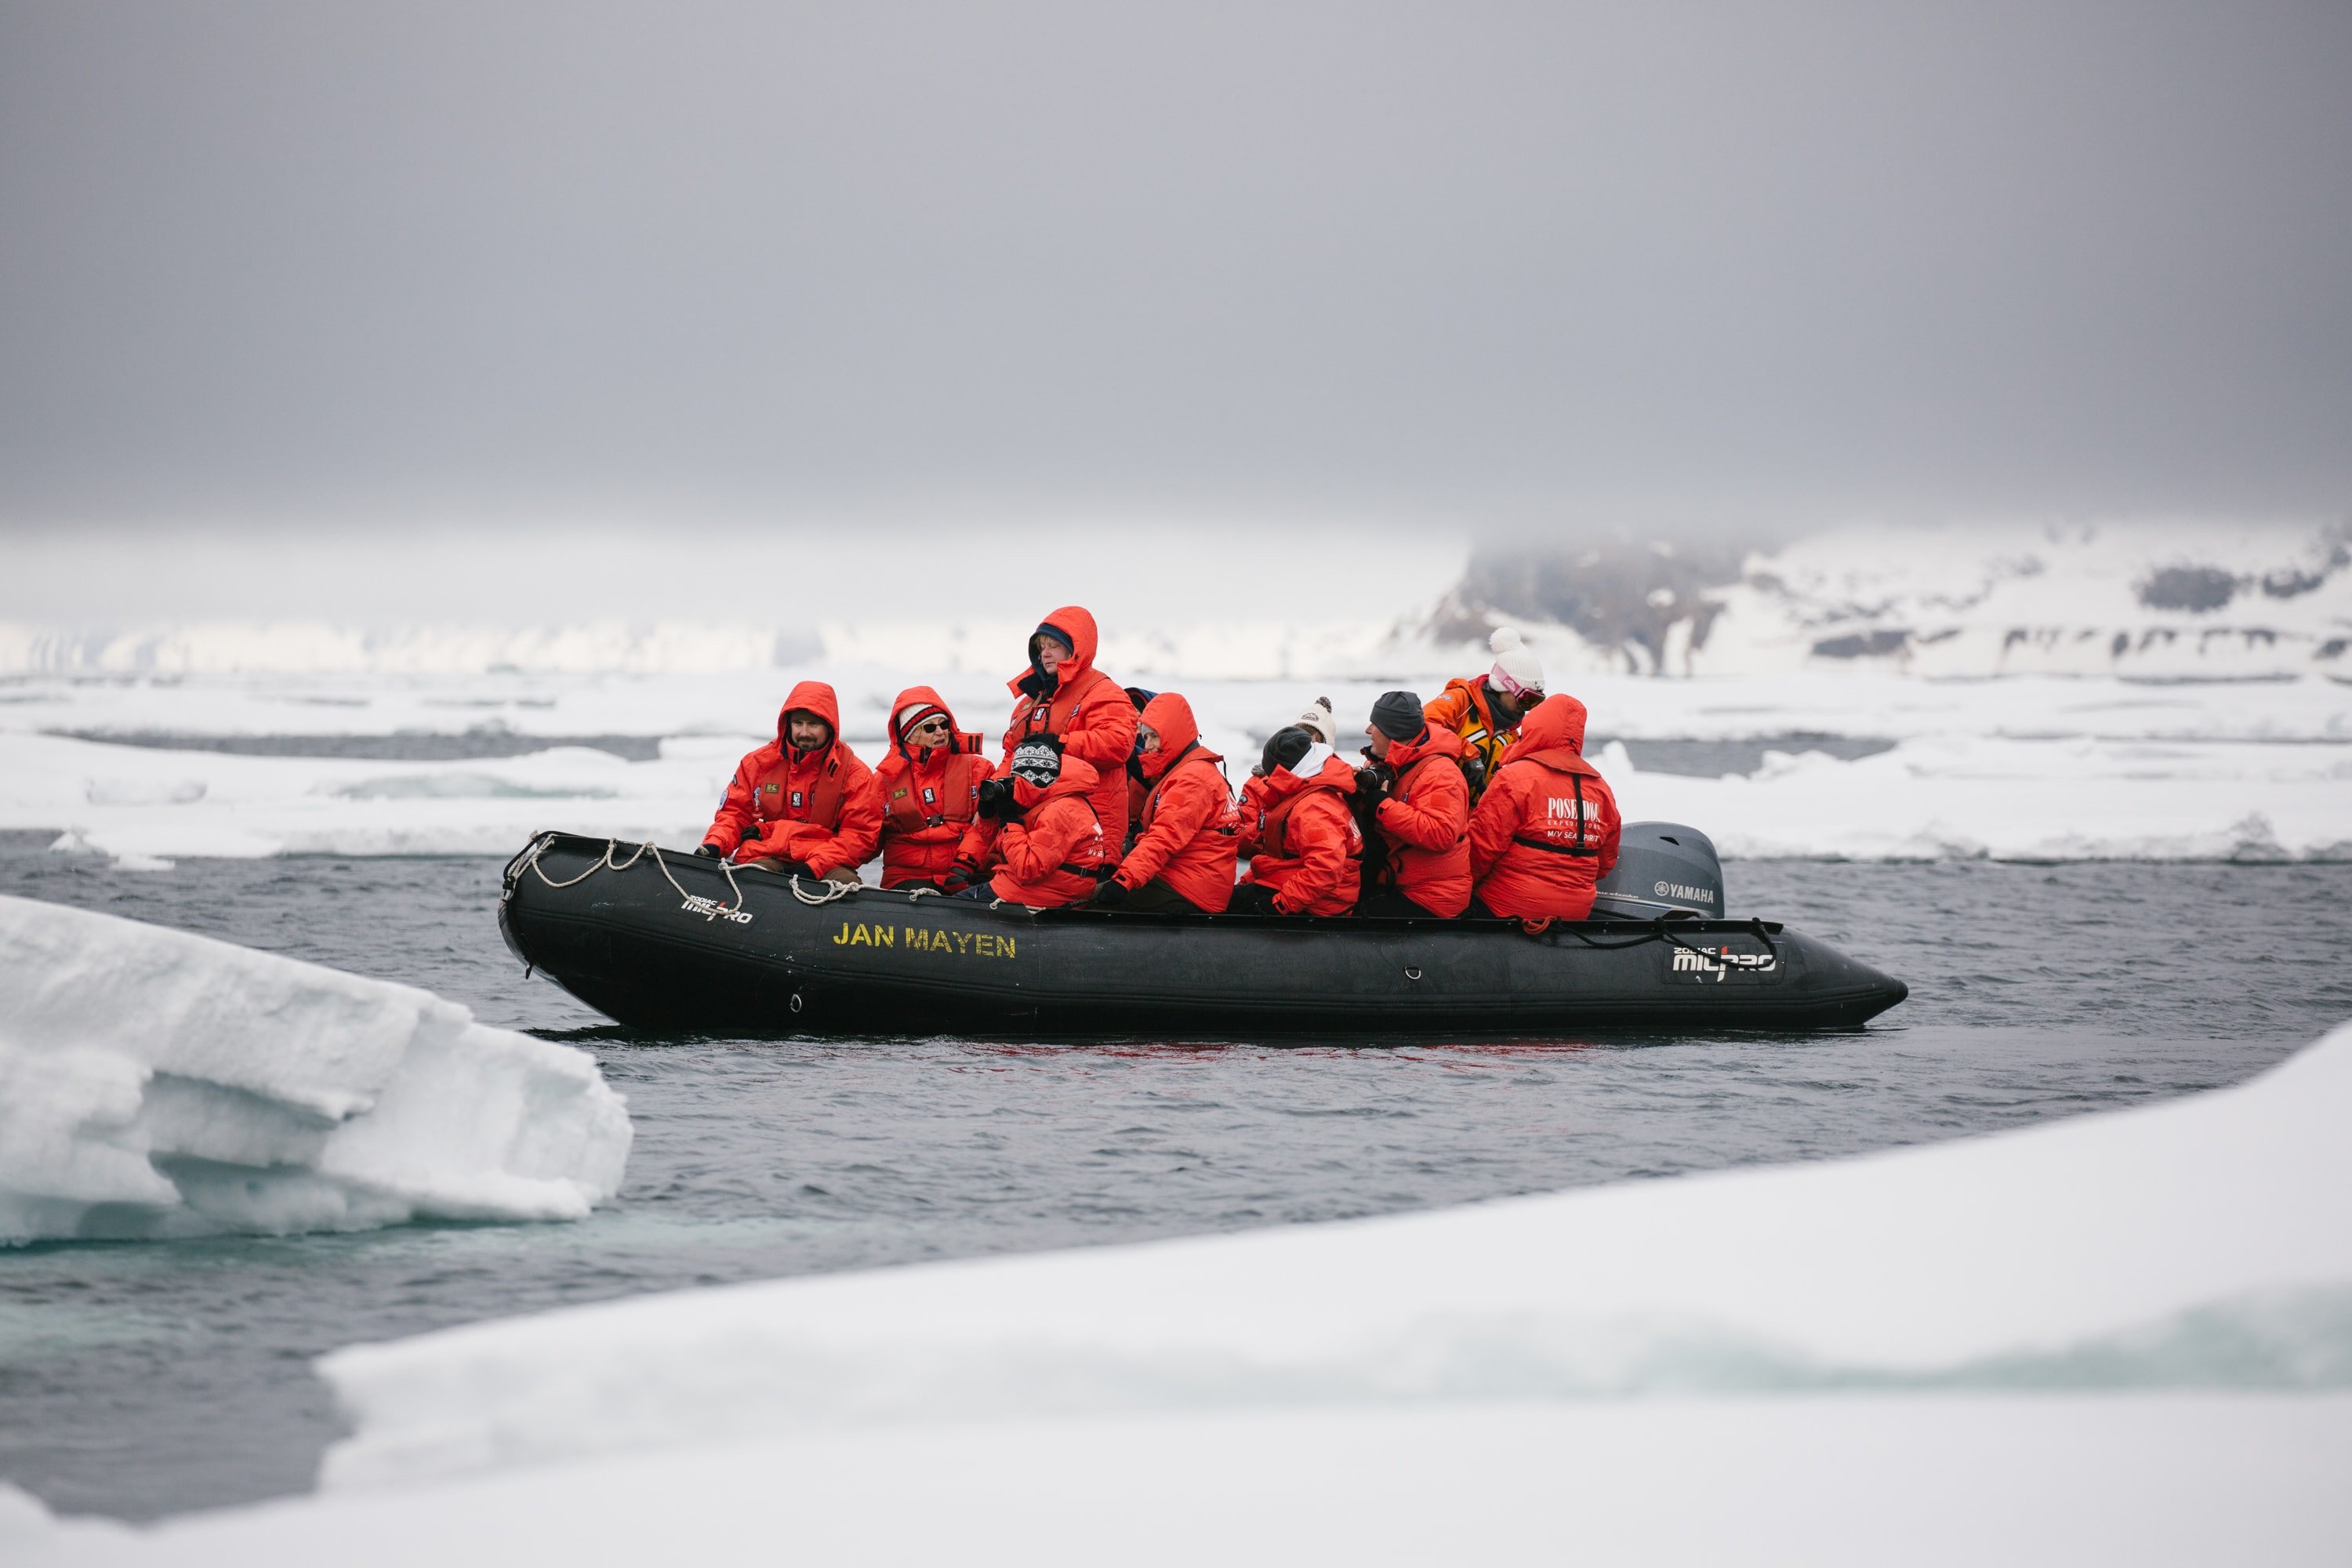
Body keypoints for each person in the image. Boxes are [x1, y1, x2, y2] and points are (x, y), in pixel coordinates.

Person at [989, 607, 1137, 870]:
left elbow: (1119, 744)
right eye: (1042, 646)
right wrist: (996, 789)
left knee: (1075, 890)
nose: (1045, 652)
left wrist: (1059, 744)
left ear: (1075, 648)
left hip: (1091, 823)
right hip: (1038, 825)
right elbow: (1012, 754)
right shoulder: (1029, 703)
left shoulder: (1103, 692)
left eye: (1054, 646)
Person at [697, 681, 881, 884]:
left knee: (846, 888)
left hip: (826, 862)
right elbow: (734, 813)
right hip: (765, 854)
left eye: (813, 724)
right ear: (788, 724)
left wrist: (813, 867)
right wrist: (715, 844)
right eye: (798, 723)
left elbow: (859, 835)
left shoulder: (855, 774)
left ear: (830, 727)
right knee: (751, 880)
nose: (804, 732)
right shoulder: (759, 764)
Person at [1467, 693, 1623, 920]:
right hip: (1575, 913)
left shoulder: (1515, 778)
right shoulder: (1600, 789)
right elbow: (1606, 861)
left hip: (1506, 906)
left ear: (1535, 728)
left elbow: (1480, 849)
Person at [1094, 691, 1238, 913]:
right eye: (1145, 737)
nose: (1148, 745)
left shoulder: (1193, 779)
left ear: (1172, 733)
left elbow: (1164, 837)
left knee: (1089, 901)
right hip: (1191, 880)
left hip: (1187, 887)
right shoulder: (1190, 770)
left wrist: (1123, 880)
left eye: (1153, 736)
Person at [1352, 689, 1472, 918]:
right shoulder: (1392, 762)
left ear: (1393, 733)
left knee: (1357, 918)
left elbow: (1441, 834)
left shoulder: (1441, 773)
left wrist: (1383, 805)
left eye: (1374, 724)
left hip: (1432, 894)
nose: (1368, 730)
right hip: (1401, 879)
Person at [1232, 703, 1361, 916]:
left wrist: (1282, 904)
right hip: (1290, 878)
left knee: (1228, 908)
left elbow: (1325, 870)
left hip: (1319, 902)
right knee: (1228, 899)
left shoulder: (1314, 808)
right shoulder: (1305, 794)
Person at [871, 686, 996, 891]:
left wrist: (964, 867)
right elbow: (866, 835)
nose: (940, 732)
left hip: (968, 870)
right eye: (929, 728)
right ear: (909, 736)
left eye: (944, 724)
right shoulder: (884, 781)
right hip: (907, 875)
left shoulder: (980, 770)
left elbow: (989, 826)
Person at [960, 739, 1107, 909]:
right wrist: (989, 816)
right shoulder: (1057, 802)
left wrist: (1010, 821)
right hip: (1046, 888)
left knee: (949, 910)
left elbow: (1028, 869)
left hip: (1040, 893)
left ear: (1029, 778)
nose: (1012, 784)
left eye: (1016, 778)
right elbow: (1006, 851)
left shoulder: (1061, 811)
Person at [1424, 627, 1545, 802]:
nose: (1526, 708)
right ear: (1506, 686)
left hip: (1475, 821)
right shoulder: (1460, 701)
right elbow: (1421, 727)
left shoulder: (1512, 737)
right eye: (1526, 699)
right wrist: (1465, 752)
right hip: (1436, 806)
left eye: (1536, 701)